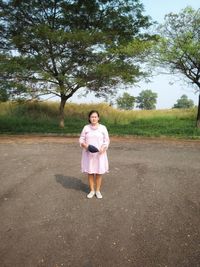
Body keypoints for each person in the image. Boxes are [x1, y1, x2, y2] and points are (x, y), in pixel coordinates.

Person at [79, 110, 110, 199]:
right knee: (90, 172)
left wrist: (103, 148)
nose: (94, 118)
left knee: (99, 172)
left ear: (98, 118)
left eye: (95, 117)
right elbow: (81, 138)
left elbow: (106, 140)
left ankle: (98, 190)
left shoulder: (103, 128)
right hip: (89, 154)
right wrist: (84, 145)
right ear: (89, 118)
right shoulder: (86, 128)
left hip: (100, 154)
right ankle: (92, 190)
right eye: (92, 117)